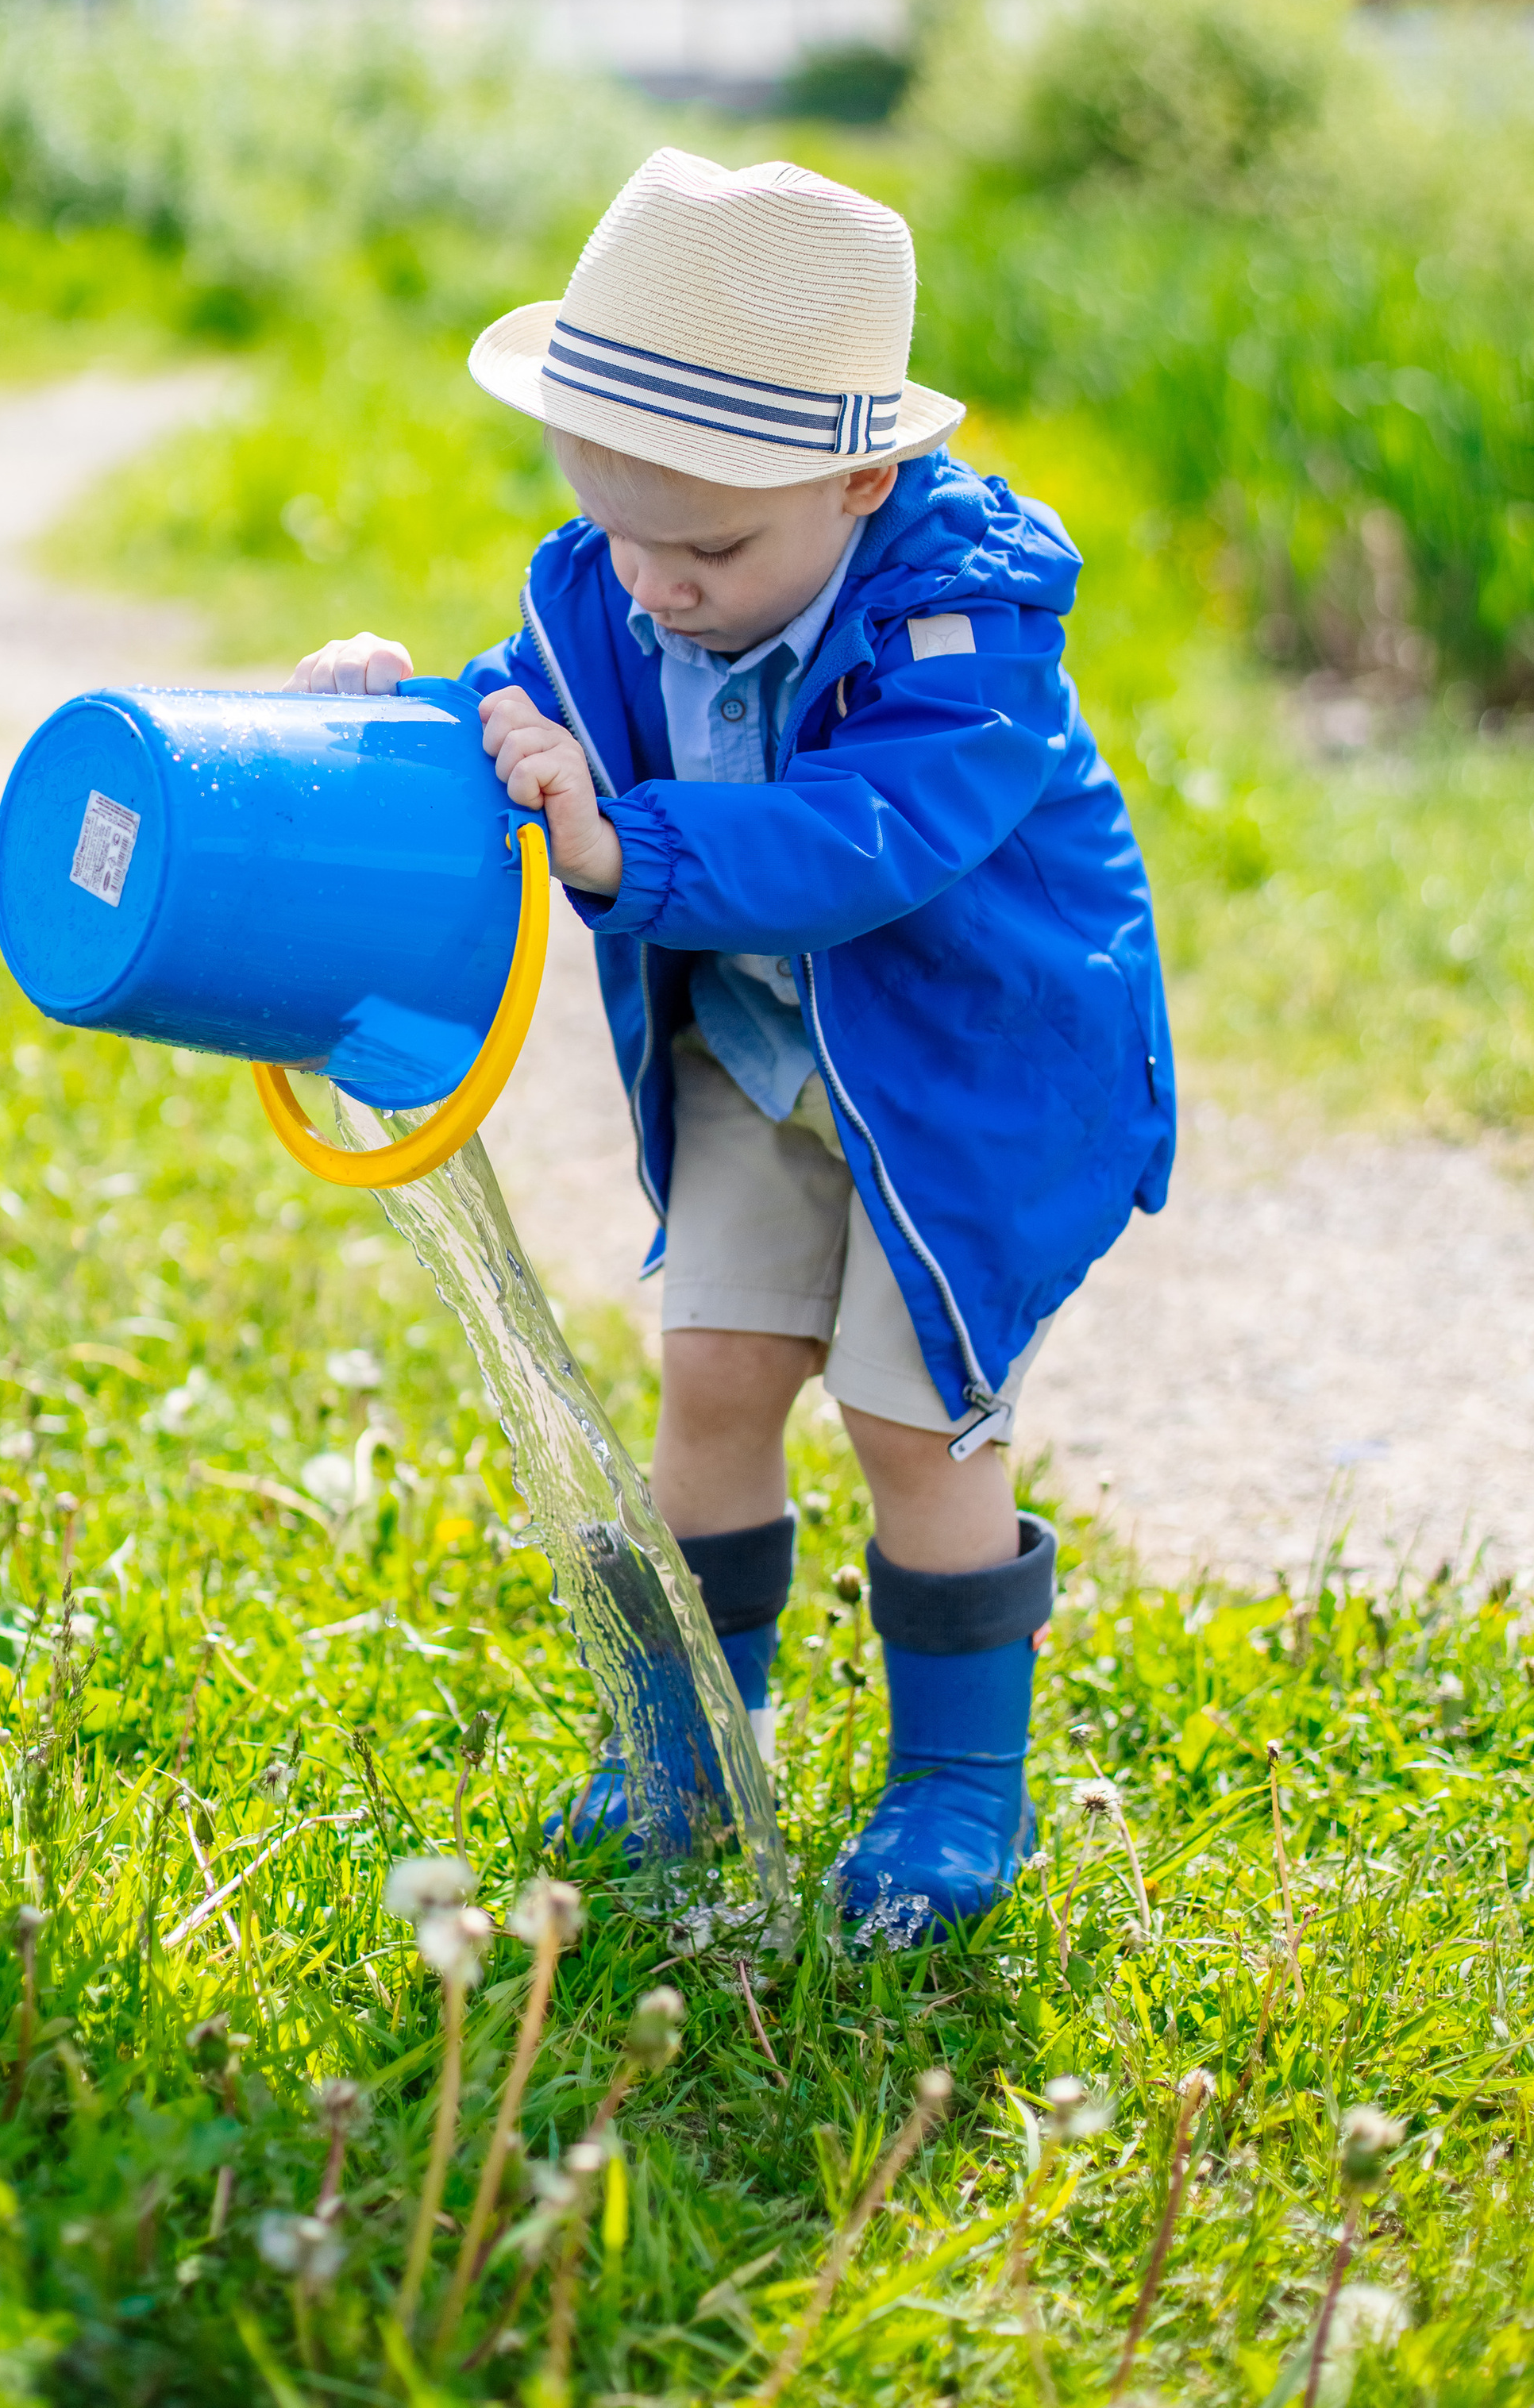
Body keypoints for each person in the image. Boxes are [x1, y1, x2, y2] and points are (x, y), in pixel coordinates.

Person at [291, 146, 1173, 1937]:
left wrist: (624, 848)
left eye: (706, 548)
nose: (659, 589)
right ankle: (692, 1743)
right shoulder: (615, 589)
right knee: (711, 1376)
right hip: (756, 1064)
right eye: (620, 534)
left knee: (913, 1423)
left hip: (966, 1084)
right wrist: (404, 719)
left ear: (860, 480)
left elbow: (869, 840)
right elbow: (523, 720)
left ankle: (957, 1792)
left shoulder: (965, 635)